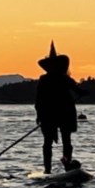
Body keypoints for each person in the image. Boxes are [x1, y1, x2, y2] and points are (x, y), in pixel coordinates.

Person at [35, 41, 88, 174]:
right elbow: (39, 100)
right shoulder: (46, 79)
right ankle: (48, 170)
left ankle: (66, 165)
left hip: (62, 113)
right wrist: (39, 115)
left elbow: (78, 91)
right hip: (51, 114)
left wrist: (85, 92)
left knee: (65, 141)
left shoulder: (64, 79)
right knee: (49, 142)